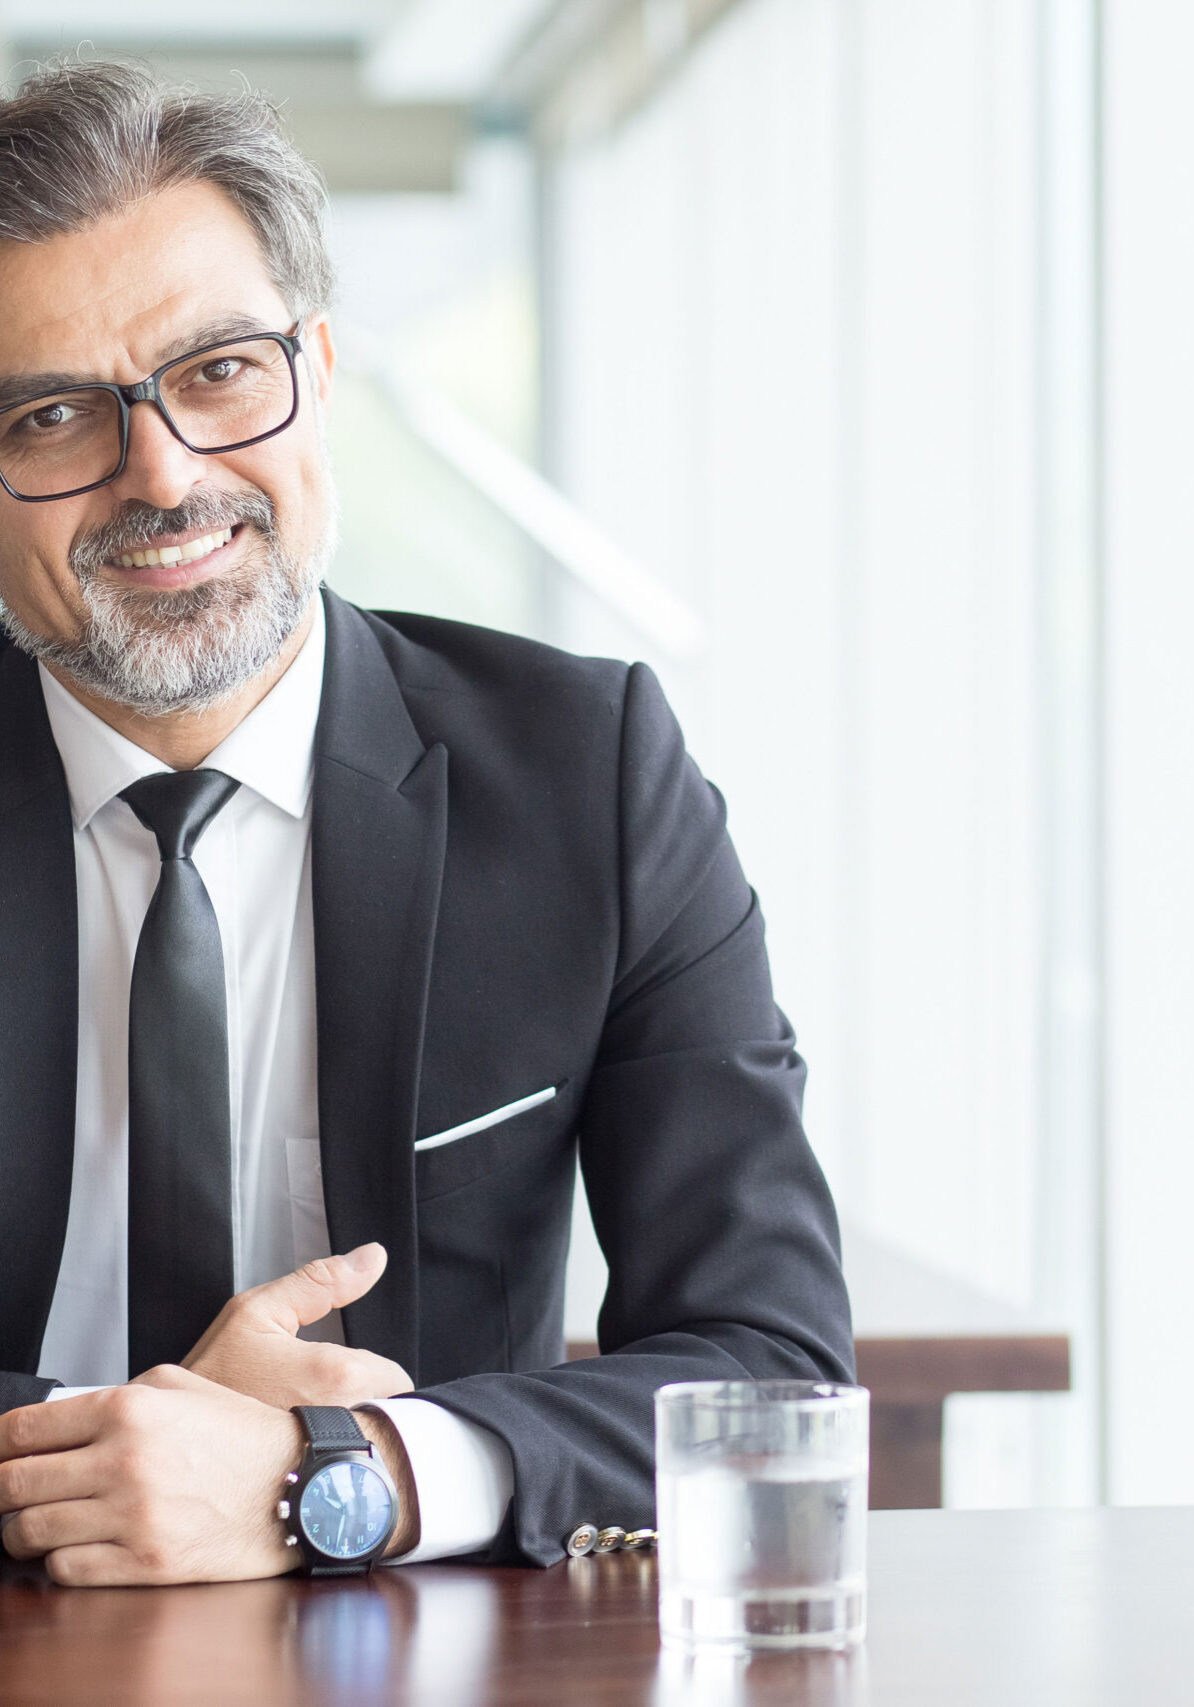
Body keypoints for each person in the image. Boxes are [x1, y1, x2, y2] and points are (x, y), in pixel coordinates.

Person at [0, 60, 853, 1587]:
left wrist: (343, 1477)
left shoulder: (590, 774)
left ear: (319, 367)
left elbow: (770, 1366)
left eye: (219, 373)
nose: (163, 474)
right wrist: (112, 1459)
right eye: (55, 415)